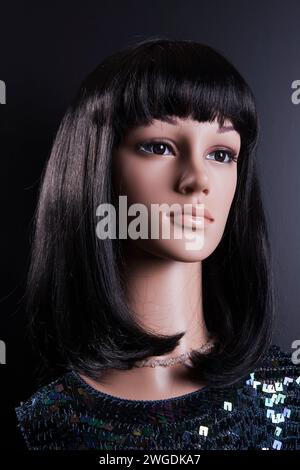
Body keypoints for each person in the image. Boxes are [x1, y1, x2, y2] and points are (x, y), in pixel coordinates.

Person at [15, 37, 300, 450]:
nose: (197, 180)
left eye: (221, 154)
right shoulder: (44, 426)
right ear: (97, 167)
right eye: (158, 147)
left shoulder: (289, 400)